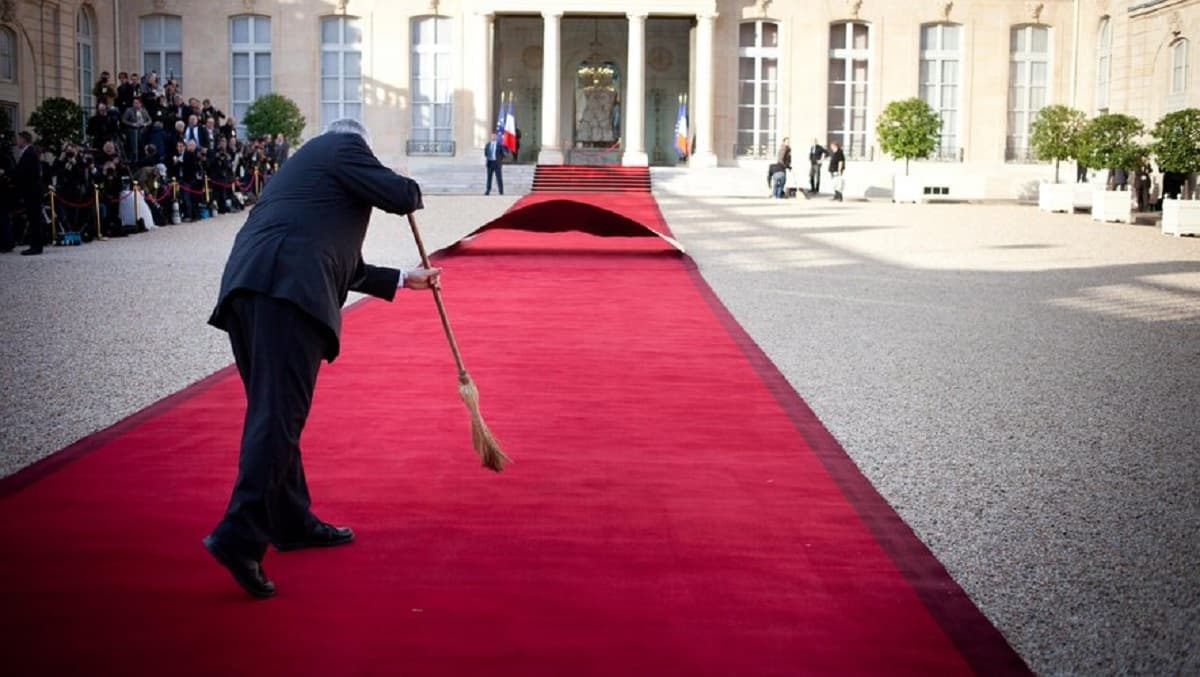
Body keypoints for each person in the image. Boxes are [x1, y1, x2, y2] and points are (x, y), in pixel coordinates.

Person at [203, 118, 439, 599]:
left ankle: (291, 520)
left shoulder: (305, 171)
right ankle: (239, 535)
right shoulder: (343, 146)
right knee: (277, 419)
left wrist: (403, 278)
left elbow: (340, 261)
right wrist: (404, 181)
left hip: (250, 288)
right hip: (287, 293)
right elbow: (401, 196)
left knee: (273, 414)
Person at [14, 131, 46, 255]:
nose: (17, 141)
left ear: (24, 140)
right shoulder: (29, 152)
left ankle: (36, 246)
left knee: (34, 219)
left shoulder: (29, 153)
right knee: (34, 219)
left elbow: (26, 173)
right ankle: (36, 245)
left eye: (18, 139)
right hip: (32, 191)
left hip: (32, 192)